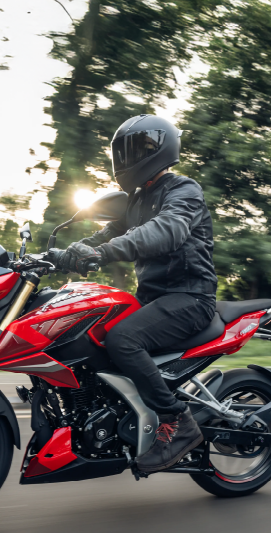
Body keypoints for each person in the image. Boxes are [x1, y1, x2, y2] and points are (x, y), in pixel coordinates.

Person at [60, 114, 218, 474]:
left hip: (190, 297)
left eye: (138, 150)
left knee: (123, 340)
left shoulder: (183, 191)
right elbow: (105, 236)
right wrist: (62, 254)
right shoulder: (136, 199)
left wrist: (102, 252)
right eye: (125, 152)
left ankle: (178, 421)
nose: (128, 159)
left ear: (161, 149)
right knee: (91, 334)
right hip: (154, 298)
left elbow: (167, 231)